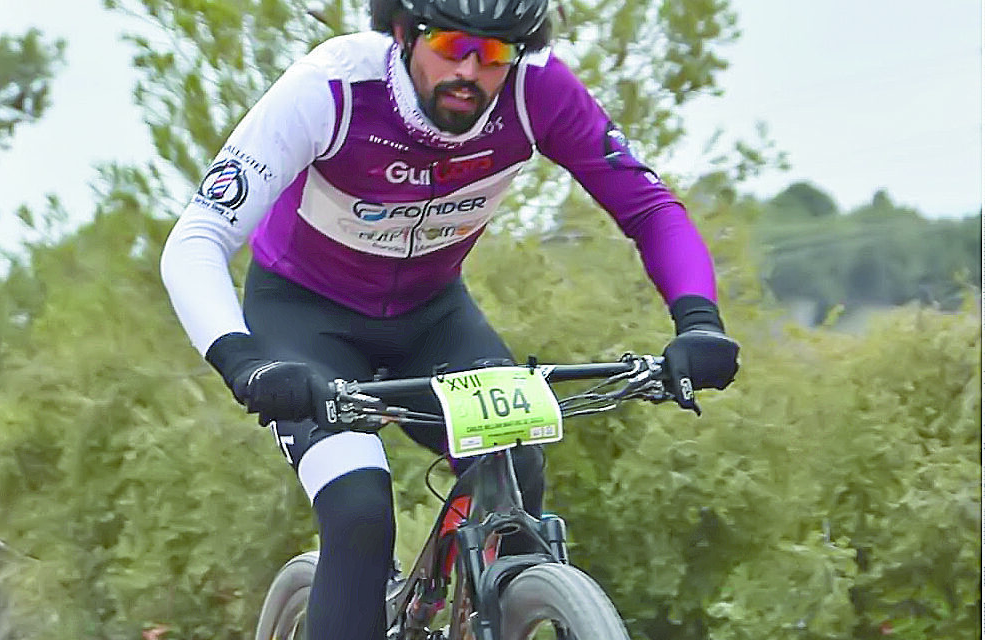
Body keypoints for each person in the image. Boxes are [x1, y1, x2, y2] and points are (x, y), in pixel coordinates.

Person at [159, 0, 739, 637]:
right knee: (359, 512)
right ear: (404, 34)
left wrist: (698, 322)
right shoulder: (332, 88)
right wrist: (244, 360)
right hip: (304, 321)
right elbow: (197, 238)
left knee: (517, 471)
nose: (470, 70)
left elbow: (649, 208)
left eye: (493, 53)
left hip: (431, 318)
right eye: (451, 45)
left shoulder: (536, 91)